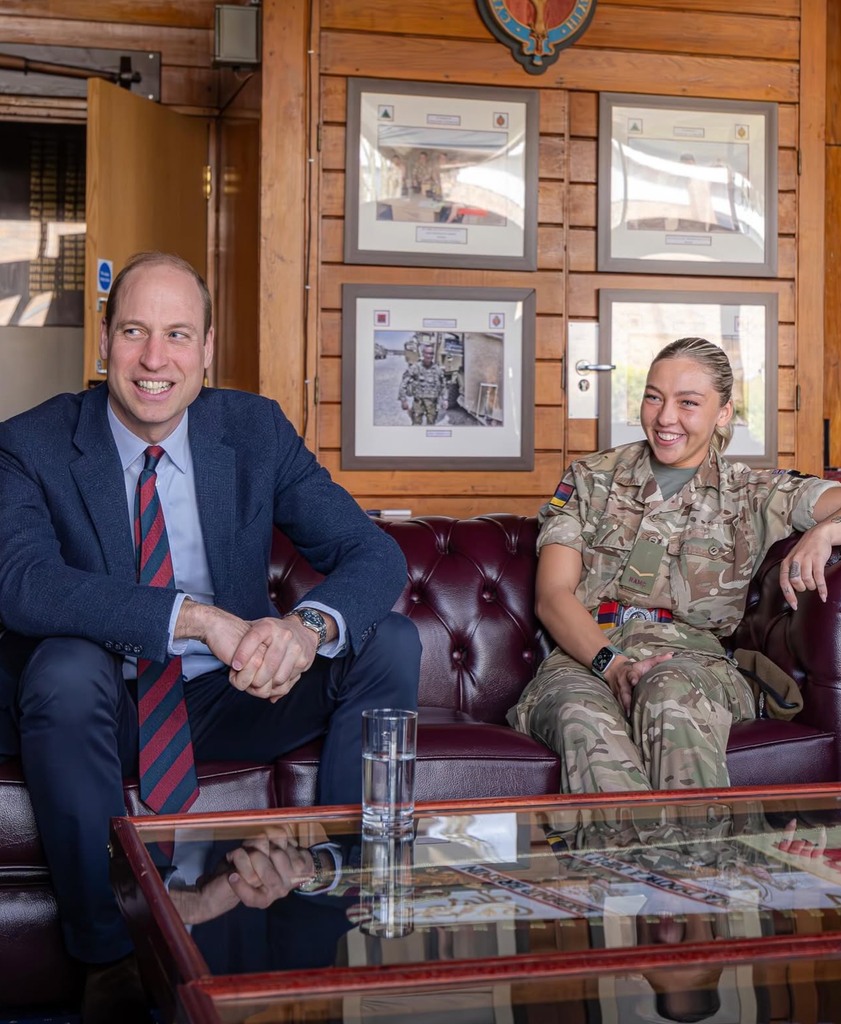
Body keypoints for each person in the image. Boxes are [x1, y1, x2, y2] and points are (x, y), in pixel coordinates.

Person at [0, 252, 421, 1023]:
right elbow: (24, 582)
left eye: (177, 335)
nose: (154, 359)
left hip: (234, 696)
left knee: (388, 639)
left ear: (206, 348)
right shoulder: (30, 443)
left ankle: (328, 886)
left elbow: (371, 553)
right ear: (104, 342)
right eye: (134, 332)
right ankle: (112, 953)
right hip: (107, 708)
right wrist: (192, 617)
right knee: (62, 665)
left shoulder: (253, 430)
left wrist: (303, 628)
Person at [509, 336, 841, 836]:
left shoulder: (751, 492)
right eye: (653, 396)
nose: (666, 417)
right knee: (579, 713)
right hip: (584, 657)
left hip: (696, 664)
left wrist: (825, 531)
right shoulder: (591, 479)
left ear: (724, 413)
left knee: (666, 692)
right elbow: (552, 596)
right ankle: (626, 895)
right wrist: (612, 663)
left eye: (688, 403)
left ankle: (701, 889)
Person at [398, 343, 447, 425]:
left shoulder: (438, 370)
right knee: (416, 425)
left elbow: (443, 385)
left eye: (431, 353)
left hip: (432, 403)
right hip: (418, 403)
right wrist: (403, 400)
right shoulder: (415, 368)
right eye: (427, 353)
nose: (429, 356)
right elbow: (403, 383)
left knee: (431, 424)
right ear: (423, 354)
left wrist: (445, 399)